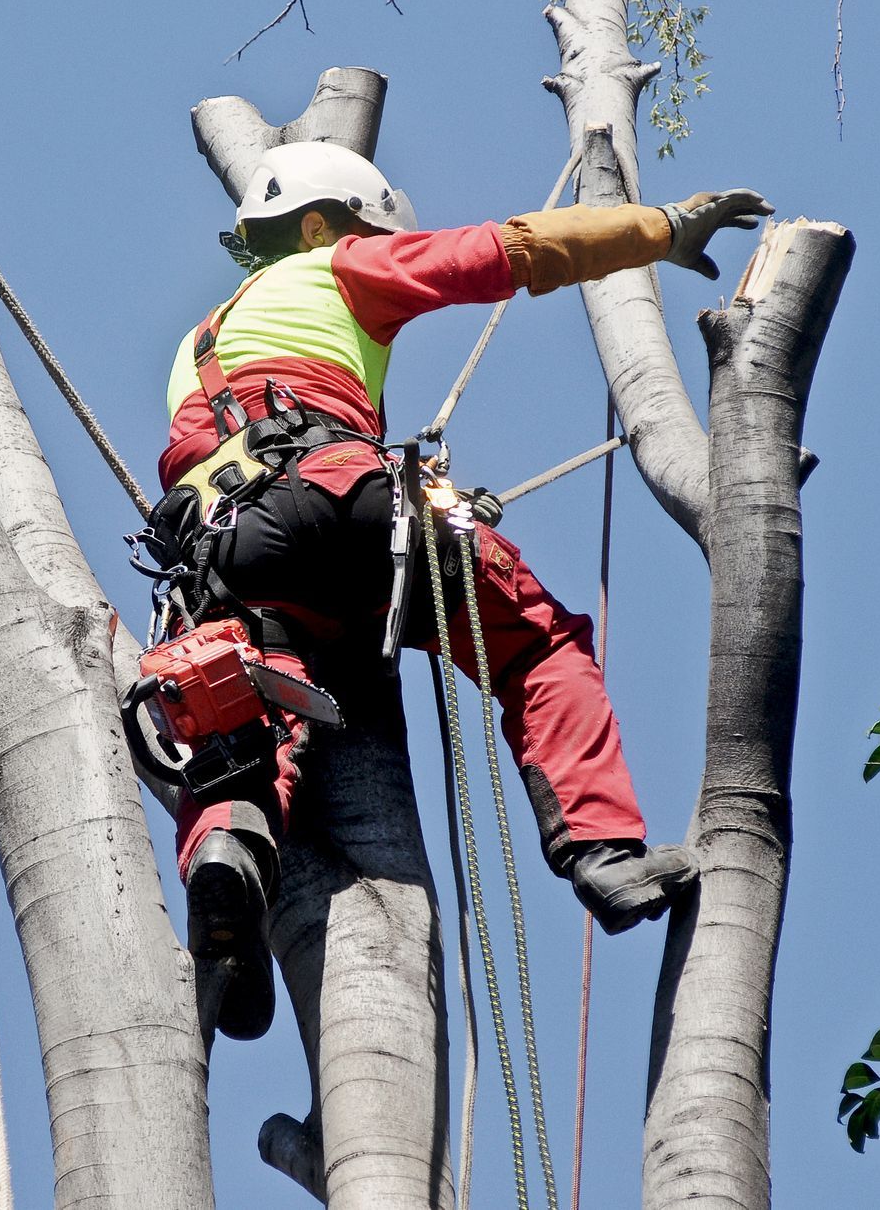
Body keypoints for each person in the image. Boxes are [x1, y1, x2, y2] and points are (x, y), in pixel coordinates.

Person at [146, 141, 772, 1039]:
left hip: (228, 547)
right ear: (321, 225)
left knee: (234, 710)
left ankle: (231, 855)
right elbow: (504, 251)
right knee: (538, 640)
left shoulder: (195, 343)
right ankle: (603, 848)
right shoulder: (342, 264)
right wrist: (659, 229)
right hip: (338, 494)